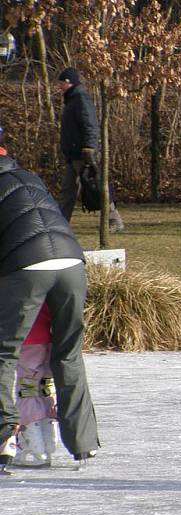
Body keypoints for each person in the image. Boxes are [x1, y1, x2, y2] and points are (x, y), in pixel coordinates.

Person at [0, 147, 100, 474]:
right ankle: (83, 442)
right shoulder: (30, 178)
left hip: (29, 265)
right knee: (68, 352)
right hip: (72, 261)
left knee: (5, 352)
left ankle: (4, 439)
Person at [57, 67, 124, 230]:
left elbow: (90, 125)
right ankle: (59, 224)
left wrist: (90, 148)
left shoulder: (80, 99)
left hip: (82, 153)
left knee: (94, 187)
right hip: (74, 154)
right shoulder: (73, 99)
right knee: (68, 191)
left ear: (68, 82)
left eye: (61, 83)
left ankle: (114, 219)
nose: (59, 87)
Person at [13, 304, 59, 468]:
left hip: (27, 338)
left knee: (28, 388)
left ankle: (33, 446)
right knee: (44, 386)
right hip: (47, 337)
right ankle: (48, 440)